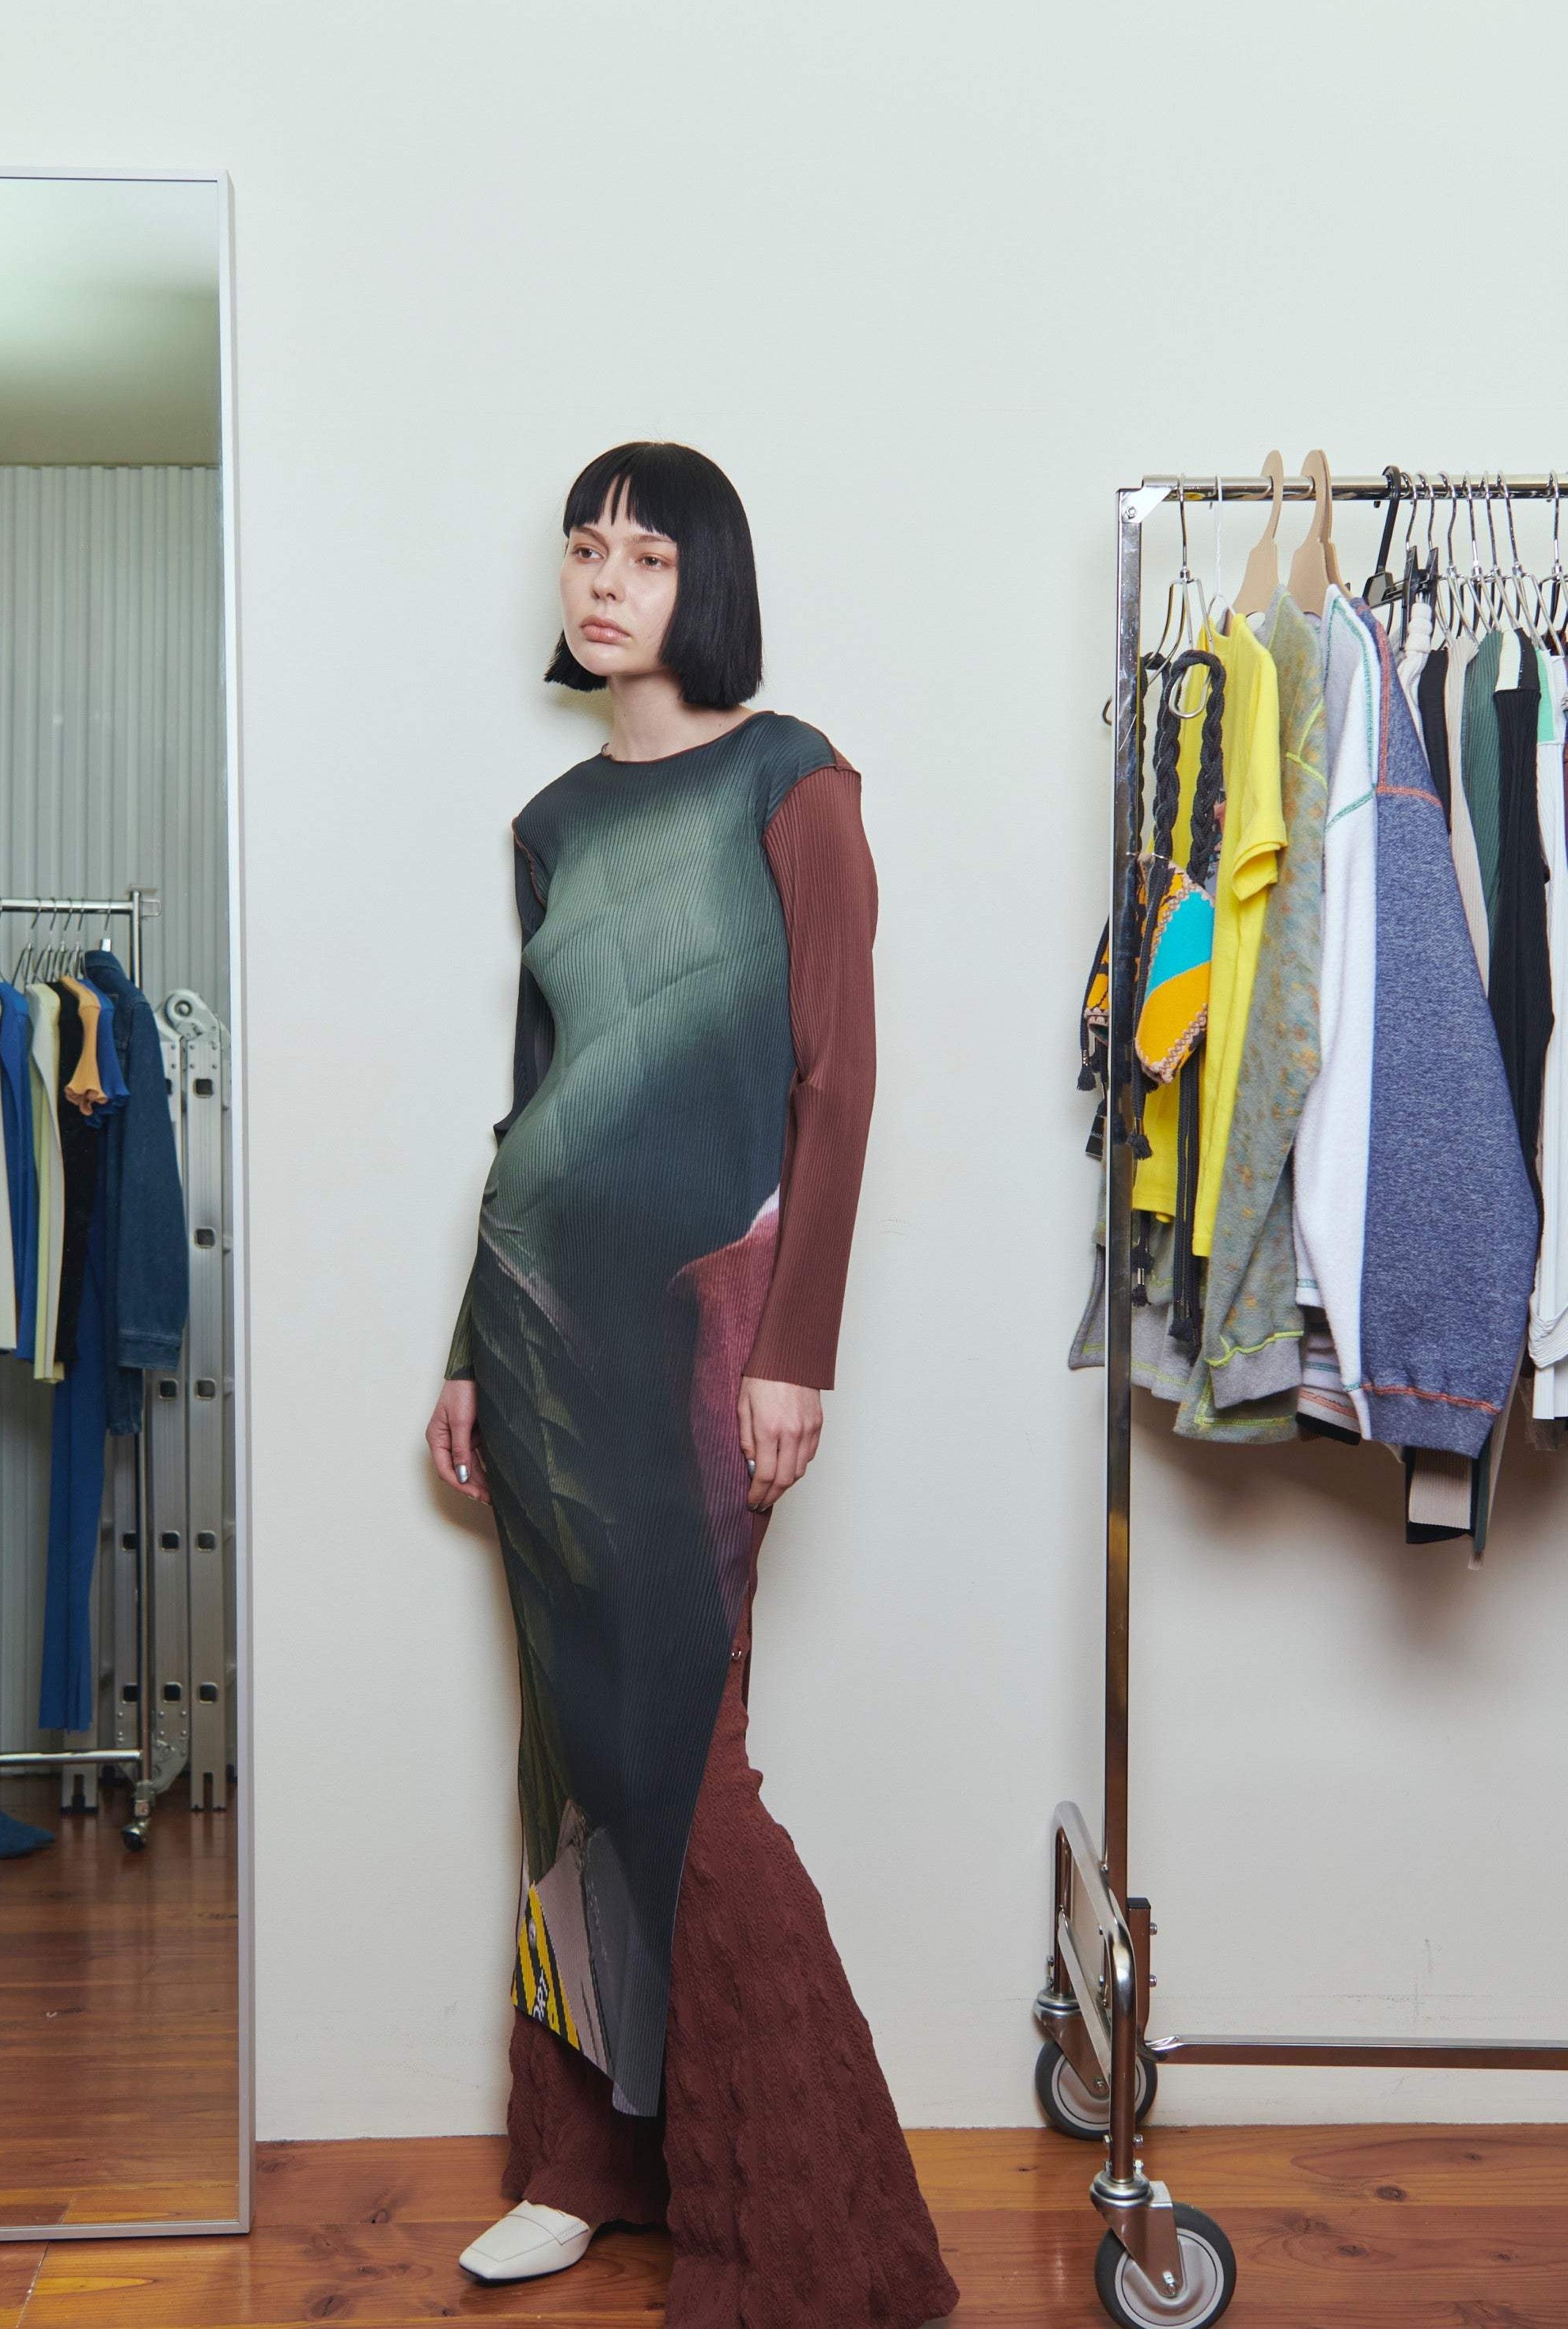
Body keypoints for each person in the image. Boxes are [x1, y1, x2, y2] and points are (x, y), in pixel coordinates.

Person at [425, 440, 960, 2327]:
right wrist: (465, 1350)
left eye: (646, 553)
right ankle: (580, 2162)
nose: (604, 579)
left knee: (682, 1758)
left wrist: (797, 1346)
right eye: (585, 545)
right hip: (535, 1329)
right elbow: (530, 1111)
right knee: (570, 1758)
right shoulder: (551, 825)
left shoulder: (791, 779)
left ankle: (805, 2222)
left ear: (703, 581)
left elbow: (839, 1080)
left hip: (698, 1342)